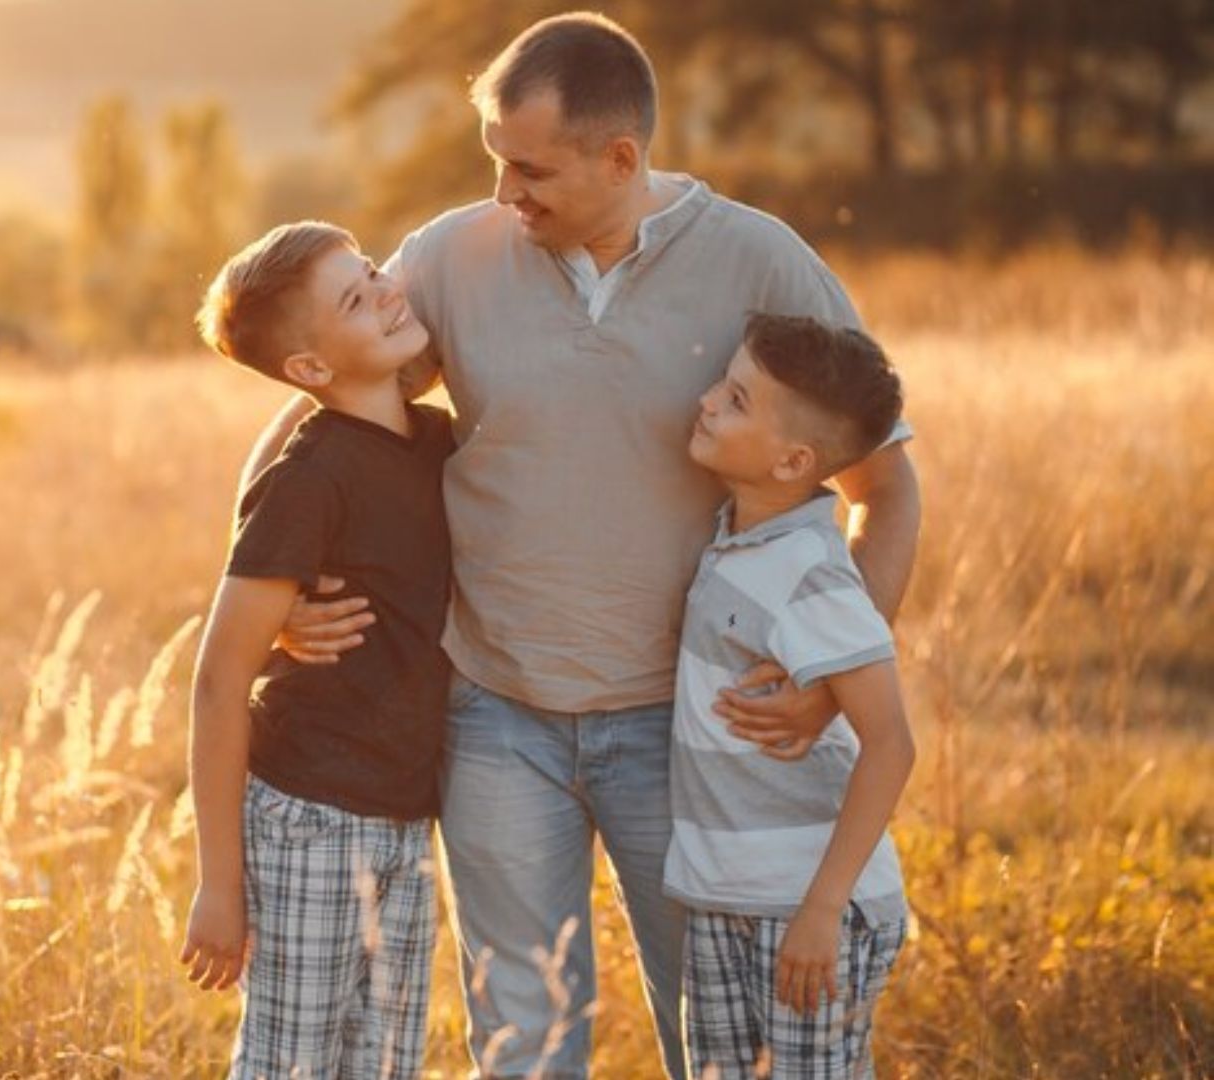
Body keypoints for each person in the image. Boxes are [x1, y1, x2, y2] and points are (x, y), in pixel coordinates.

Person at [245, 12, 922, 1078]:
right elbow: (321, 404)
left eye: (530, 170)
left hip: (687, 732)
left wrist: (834, 677)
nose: (505, 194)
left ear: (621, 157)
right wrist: (269, 594)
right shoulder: (452, 258)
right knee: (523, 1044)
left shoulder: (760, 260)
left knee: (715, 1039)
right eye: (495, 162)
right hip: (494, 718)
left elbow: (884, 485)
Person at [179, 220, 453, 1079]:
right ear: (308, 371)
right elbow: (221, 682)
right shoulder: (310, 479)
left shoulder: (436, 441)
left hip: (407, 820)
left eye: (371, 270)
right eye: (352, 297)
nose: (383, 290)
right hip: (309, 819)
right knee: (290, 1066)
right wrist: (218, 885)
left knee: (384, 1066)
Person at [666, 313, 913, 1078]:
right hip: (723, 895)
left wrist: (822, 909)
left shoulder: (811, 571)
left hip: (806, 907)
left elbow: (892, 745)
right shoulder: (738, 539)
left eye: (737, 400)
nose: (707, 400)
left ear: (794, 461)